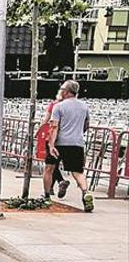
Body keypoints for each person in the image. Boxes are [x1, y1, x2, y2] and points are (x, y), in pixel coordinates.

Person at [45, 80, 94, 212]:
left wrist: (51, 145)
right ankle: (85, 193)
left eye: (62, 89)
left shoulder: (59, 107)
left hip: (60, 142)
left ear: (66, 92)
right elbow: (86, 124)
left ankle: (46, 196)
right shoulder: (84, 107)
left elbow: (54, 127)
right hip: (77, 142)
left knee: (50, 168)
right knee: (77, 172)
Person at [38, 89, 70, 198]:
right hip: (67, 139)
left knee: (50, 166)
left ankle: (52, 188)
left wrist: (38, 130)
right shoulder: (69, 107)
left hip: (53, 138)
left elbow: (46, 120)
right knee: (54, 164)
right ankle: (53, 187)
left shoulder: (54, 105)